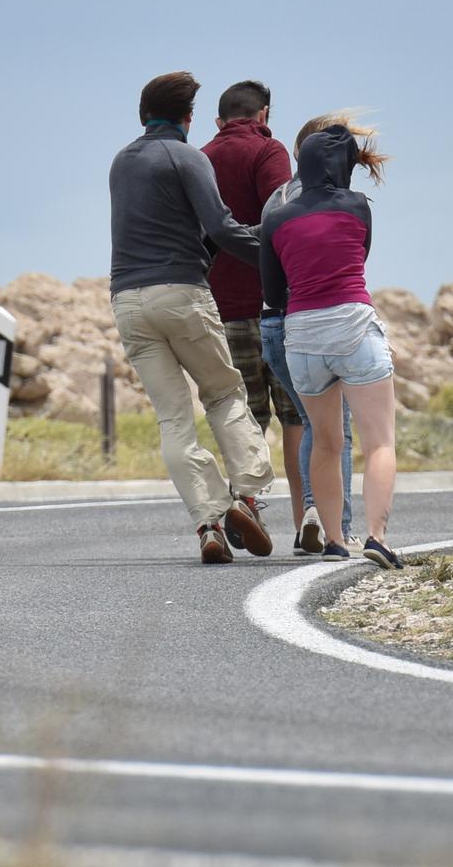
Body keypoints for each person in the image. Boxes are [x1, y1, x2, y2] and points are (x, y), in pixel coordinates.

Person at [109, 71, 276, 563]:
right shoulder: (188, 156)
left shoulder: (121, 162)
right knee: (225, 393)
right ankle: (245, 497)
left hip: (127, 301)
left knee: (173, 419)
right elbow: (221, 228)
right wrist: (274, 248)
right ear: (188, 118)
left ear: (142, 116)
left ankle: (208, 525)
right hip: (182, 293)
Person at [261, 117, 401, 569]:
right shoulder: (358, 206)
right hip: (354, 326)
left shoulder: (277, 218)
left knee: (324, 442)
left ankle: (335, 541)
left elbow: (272, 292)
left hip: (302, 335)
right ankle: (376, 536)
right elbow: (360, 256)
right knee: (379, 442)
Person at [200, 80, 309, 543]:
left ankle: (244, 503)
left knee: (242, 414)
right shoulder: (270, 151)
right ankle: (310, 517)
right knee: (296, 416)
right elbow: (279, 216)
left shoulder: (200, 156)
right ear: (264, 115)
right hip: (274, 304)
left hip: (220, 306)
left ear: (219, 120)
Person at [260, 112, 359, 554]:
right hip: (319, 320)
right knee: (336, 431)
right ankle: (338, 523)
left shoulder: (277, 200)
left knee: (309, 422)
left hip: (275, 323)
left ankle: (309, 521)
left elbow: (270, 283)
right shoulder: (338, 200)